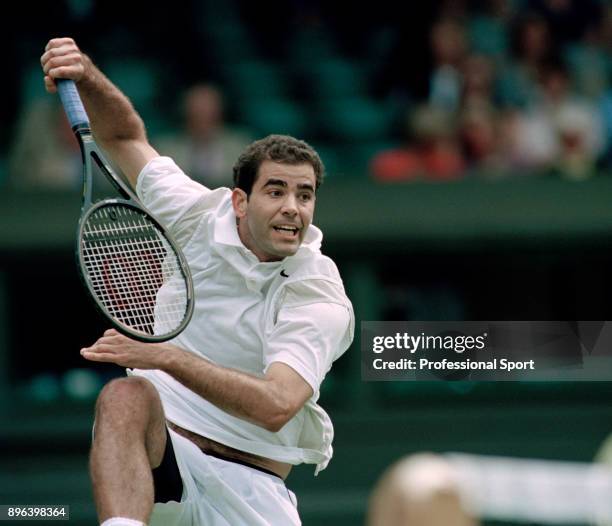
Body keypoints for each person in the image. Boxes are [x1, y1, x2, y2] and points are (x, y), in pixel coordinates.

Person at [40, 37, 354, 526]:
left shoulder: (317, 292)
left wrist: (162, 356)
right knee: (123, 398)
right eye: (276, 190)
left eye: (305, 194)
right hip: (168, 466)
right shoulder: (194, 214)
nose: (293, 206)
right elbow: (124, 137)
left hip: (251, 492)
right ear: (239, 201)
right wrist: (85, 75)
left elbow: (276, 405)